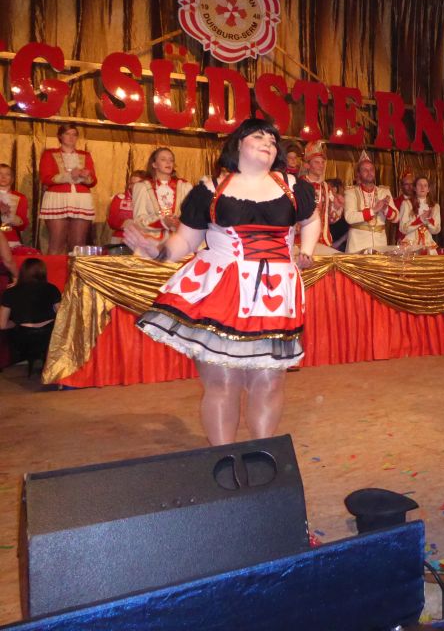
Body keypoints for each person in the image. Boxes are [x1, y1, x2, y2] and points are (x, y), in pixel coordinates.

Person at [124, 119, 320, 446]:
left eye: (273, 140)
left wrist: (308, 250)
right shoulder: (209, 189)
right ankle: (223, 457)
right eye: (259, 136)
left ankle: (260, 454)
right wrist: (155, 250)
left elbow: (311, 220)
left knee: (269, 382)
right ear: (238, 144)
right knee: (223, 383)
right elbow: (186, 241)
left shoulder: (294, 186)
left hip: (274, 294)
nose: (268, 142)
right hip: (221, 290)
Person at [38, 123, 97, 254]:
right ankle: (53, 268)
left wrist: (85, 176)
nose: (71, 137)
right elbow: (46, 178)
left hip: (81, 199)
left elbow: (93, 181)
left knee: (78, 244)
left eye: (74, 134)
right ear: (60, 136)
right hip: (57, 198)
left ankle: (74, 268)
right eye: (67, 134)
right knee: (56, 242)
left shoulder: (85, 155)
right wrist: (69, 176)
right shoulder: (49, 153)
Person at [1, 258, 61, 377]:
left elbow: (2, 324)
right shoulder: (52, 288)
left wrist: (15, 322)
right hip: (48, 337)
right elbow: (61, 316)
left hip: (23, 339)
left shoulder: (10, 293)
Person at [132, 148, 193, 245]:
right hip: (153, 243)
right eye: (163, 159)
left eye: (171, 160)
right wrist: (162, 222)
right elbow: (139, 221)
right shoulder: (142, 187)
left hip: (180, 243)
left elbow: (192, 215)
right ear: (154, 164)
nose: (168, 162)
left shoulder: (185, 186)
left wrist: (179, 222)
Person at [343, 151, 398, 253]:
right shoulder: (351, 192)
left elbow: (396, 218)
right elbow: (349, 217)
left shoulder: (384, 191)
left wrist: (386, 209)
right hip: (357, 245)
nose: (369, 172)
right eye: (365, 170)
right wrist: (374, 210)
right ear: (358, 174)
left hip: (379, 245)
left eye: (371, 169)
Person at [300, 141, 341, 254]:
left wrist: (337, 207)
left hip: (323, 240)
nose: (321, 165)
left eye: (322, 162)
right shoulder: (299, 185)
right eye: (317, 162)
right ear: (307, 165)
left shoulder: (326, 187)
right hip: (302, 240)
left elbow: (331, 219)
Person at [398, 176, 442, 254]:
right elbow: (403, 228)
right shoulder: (407, 204)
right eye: (419, 185)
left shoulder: (435, 206)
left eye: (425, 185)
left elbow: (436, 230)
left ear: (428, 189)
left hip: (428, 245)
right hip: (410, 245)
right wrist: (420, 219)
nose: (422, 187)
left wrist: (429, 220)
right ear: (415, 188)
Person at [107, 170, 146, 245]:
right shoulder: (119, 198)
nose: (134, 187)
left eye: (138, 184)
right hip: (120, 237)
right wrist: (125, 223)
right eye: (132, 183)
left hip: (144, 239)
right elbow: (111, 221)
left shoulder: (151, 200)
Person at [0, 164, 29, 250]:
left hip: (11, 239)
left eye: (7, 174)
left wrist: (11, 216)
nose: (3, 177)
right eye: (0, 174)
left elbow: (23, 225)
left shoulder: (20, 197)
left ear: (12, 179)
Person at [326, 178, 349, 251]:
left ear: (334, 189)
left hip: (340, 245)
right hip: (332, 243)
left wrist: (338, 242)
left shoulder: (342, 202)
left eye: (326, 187)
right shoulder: (328, 203)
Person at [393, 169, 415, 242]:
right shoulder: (395, 202)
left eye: (412, 184)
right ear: (402, 186)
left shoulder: (420, 201)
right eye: (406, 184)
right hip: (403, 238)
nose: (410, 187)